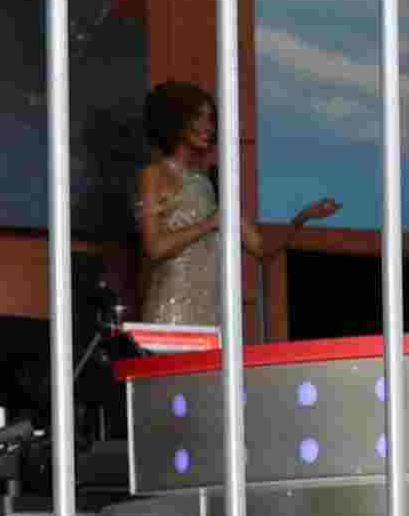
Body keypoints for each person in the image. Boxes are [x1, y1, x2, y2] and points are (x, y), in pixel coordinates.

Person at [126, 81, 335, 330]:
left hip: (210, 313)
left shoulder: (208, 184)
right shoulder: (154, 174)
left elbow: (261, 248)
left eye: (210, 118)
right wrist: (210, 223)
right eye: (199, 117)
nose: (208, 126)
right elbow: (155, 247)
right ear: (175, 119)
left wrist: (302, 217)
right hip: (172, 312)